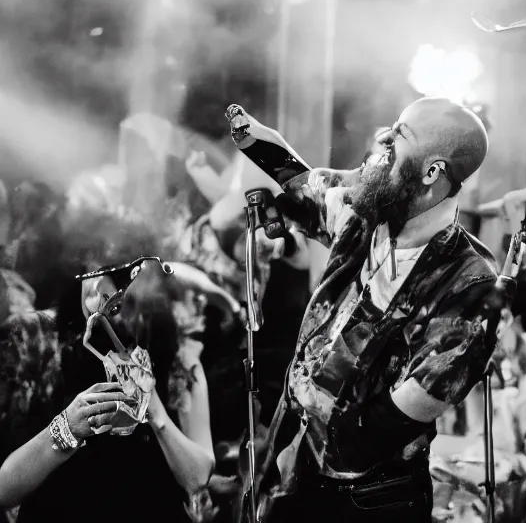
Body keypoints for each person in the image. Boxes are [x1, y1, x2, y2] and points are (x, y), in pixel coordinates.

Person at [249, 97, 500, 522]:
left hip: (369, 499)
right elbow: (310, 189)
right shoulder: (372, 215)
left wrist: (313, 441)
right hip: (293, 463)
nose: (383, 137)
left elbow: (403, 413)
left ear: (432, 171)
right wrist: (257, 149)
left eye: (400, 134)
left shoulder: (471, 281)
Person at [0, 255, 216, 523]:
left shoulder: (176, 358)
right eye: (91, 271)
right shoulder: (37, 342)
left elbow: (197, 478)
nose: (98, 288)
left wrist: (153, 407)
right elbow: (4, 489)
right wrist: (67, 428)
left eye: (118, 272)